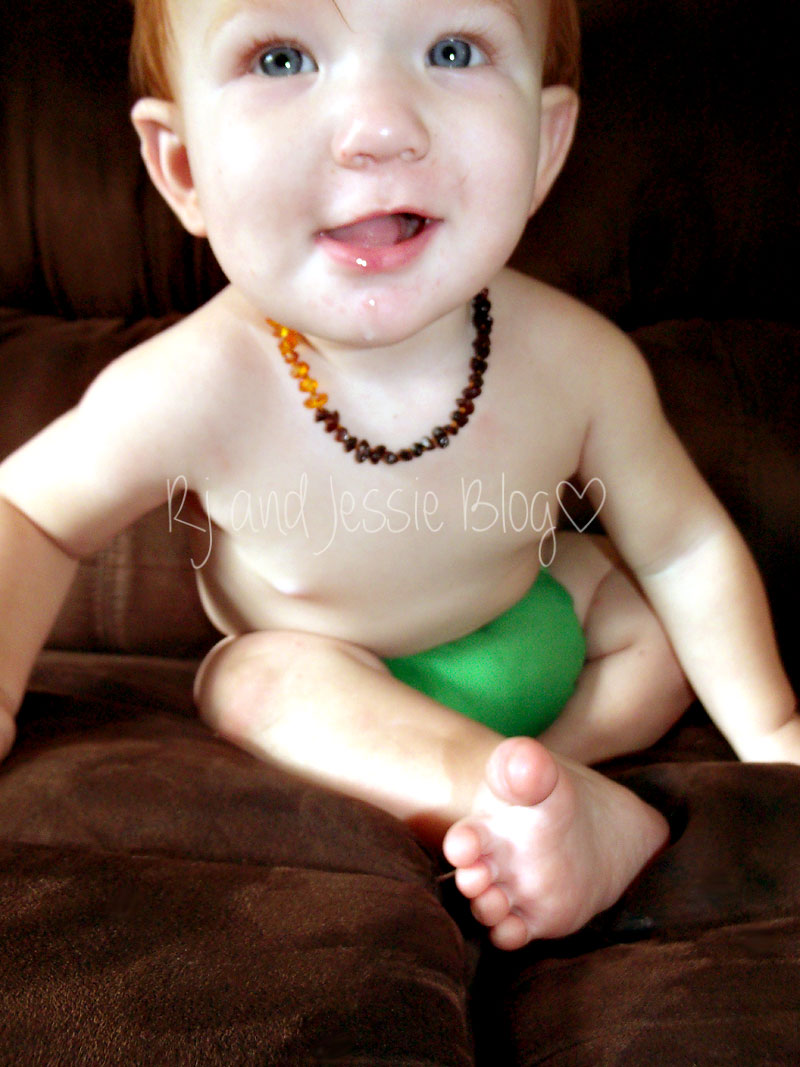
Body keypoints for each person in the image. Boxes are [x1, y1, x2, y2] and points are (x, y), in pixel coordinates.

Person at [0, 0, 797, 952]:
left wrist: (774, 735)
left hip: (534, 629)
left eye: (452, 50)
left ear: (544, 146)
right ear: (183, 170)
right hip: (341, 676)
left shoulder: (583, 362)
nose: (379, 128)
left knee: (655, 628)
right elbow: (29, 513)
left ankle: (534, 786)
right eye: (282, 58)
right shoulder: (193, 387)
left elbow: (684, 547)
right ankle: (518, 804)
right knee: (252, 681)